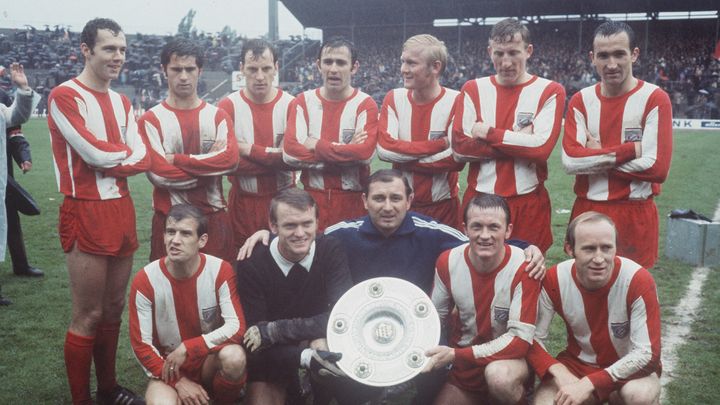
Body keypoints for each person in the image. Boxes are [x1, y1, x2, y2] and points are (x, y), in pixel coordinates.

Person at [239, 169, 545, 404]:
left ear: (409, 201)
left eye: (396, 198)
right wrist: (264, 236)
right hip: (360, 329)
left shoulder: (432, 233)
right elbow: (302, 233)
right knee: (348, 390)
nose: (387, 207)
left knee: (427, 393)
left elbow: (481, 239)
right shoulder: (341, 235)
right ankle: (328, 388)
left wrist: (527, 246)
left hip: (416, 330)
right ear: (365, 201)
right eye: (379, 198)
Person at [47, 18, 149, 404]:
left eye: (122, 49)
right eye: (109, 49)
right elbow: (95, 154)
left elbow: (142, 155)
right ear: (86, 50)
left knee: (113, 308)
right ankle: (81, 400)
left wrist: (120, 159)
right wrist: (124, 158)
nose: (117, 57)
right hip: (85, 208)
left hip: (120, 209)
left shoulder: (122, 101)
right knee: (87, 313)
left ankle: (107, 390)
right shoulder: (64, 96)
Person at [561, 21, 672, 269]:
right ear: (592, 58)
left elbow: (657, 169)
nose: (611, 64)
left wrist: (593, 155)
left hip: (635, 213)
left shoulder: (655, 98)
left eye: (619, 54)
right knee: (587, 295)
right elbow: (570, 161)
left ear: (634, 54)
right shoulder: (581, 100)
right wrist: (631, 150)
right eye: (603, 55)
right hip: (588, 210)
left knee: (631, 295)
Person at [452, 18, 566, 253]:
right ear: (489, 52)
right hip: (480, 200)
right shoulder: (473, 89)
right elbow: (460, 148)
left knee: (528, 273)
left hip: (527, 201)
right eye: (499, 53)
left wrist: (489, 133)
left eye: (514, 53)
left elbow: (541, 150)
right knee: (480, 271)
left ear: (529, 51)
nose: (506, 62)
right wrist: (519, 141)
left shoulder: (550, 90)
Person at [527, 211, 661, 405]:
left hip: (630, 368)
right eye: (589, 249)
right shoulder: (554, 279)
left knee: (639, 396)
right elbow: (531, 338)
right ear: (569, 249)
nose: (599, 258)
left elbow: (648, 354)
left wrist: (589, 384)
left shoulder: (638, 280)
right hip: (578, 365)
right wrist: (561, 373)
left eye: (606, 248)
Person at [236, 188, 353, 405]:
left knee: (323, 347)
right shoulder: (251, 261)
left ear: (317, 223)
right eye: (290, 225)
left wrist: (276, 330)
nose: (300, 233)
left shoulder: (330, 249)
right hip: (272, 354)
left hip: (313, 338)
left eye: (307, 224)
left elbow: (344, 316)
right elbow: (253, 340)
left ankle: (321, 395)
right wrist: (304, 357)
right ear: (273, 226)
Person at [423, 194, 541, 404]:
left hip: (509, 362)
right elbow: (433, 320)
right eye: (476, 226)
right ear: (465, 228)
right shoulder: (447, 261)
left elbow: (520, 342)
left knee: (499, 378)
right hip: (465, 368)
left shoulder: (525, 267)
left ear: (508, 231)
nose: (484, 235)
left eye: (494, 227)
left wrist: (455, 355)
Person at [128, 204, 247, 405]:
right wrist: (179, 381)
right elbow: (141, 345)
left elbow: (236, 327)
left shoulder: (220, 270)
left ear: (202, 240)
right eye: (170, 232)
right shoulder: (145, 279)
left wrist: (189, 348)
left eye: (185, 234)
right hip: (169, 366)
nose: (175, 240)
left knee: (234, 357)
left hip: (207, 360)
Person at [139, 38, 239, 262]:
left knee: (216, 290)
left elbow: (231, 161)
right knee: (168, 291)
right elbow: (160, 175)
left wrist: (176, 159)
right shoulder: (150, 120)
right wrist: (210, 166)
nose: (183, 76)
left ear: (200, 71)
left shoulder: (218, 116)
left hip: (212, 217)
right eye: (176, 69)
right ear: (164, 70)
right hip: (169, 222)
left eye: (190, 69)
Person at [282, 37, 379, 230]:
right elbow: (291, 153)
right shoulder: (302, 101)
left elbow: (364, 153)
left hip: (352, 201)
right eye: (328, 62)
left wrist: (316, 144)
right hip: (311, 201)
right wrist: (346, 150)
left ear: (354, 67)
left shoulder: (365, 104)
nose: (333, 69)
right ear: (319, 65)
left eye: (341, 63)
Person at [376, 34, 464, 229]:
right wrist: (439, 145)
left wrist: (403, 158)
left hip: (443, 209)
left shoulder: (457, 101)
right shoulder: (394, 98)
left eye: (411, 63)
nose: (403, 69)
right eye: (402, 61)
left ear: (435, 67)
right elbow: (384, 150)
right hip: (401, 209)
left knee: (443, 260)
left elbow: (455, 158)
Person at [217, 39, 295, 248]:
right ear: (241, 69)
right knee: (243, 267)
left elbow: (293, 160)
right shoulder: (228, 105)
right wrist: (273, 158)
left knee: (284, 266)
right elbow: (227, 163)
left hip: (284, 200)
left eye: (266, 68)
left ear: (276, 68)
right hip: (243, 203)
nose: (260, 76)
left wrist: (246, 149)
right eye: (252, 69)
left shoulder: (290, 104)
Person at [1, 63, 37, 306]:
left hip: (2, 174)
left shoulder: (1, 101)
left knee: (8, 219)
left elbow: (16, 123)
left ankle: (20, 265)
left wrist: (23, 88)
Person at [3, 101, 43, 277]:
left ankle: (21, 265)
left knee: (11, 218)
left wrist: (24, 157)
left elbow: (15, 134)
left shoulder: (2, 96)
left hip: (4, 177)